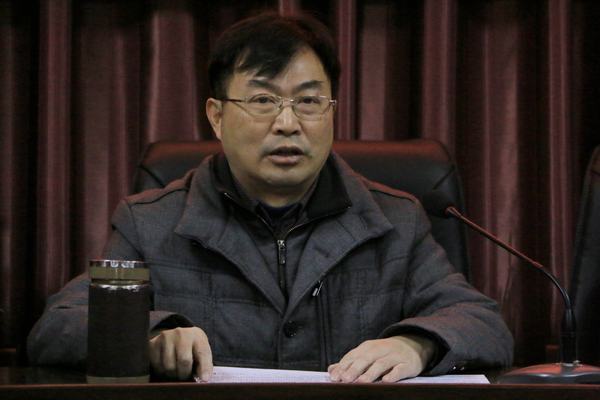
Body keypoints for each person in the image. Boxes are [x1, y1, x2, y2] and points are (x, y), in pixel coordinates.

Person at [27, 13, 513, 383]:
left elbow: (482, 323)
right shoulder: (150, 224)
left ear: (332, 112)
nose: (287, 123)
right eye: (262, 100)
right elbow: (57, 328)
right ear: (216, 116)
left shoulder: (396, 220)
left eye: (309, 101)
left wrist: (416, 346)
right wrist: (150, 335)